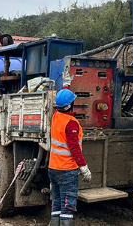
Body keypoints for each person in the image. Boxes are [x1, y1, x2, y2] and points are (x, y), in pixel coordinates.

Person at [49, 89, 92, 226]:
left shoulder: (56, 117)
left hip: (53, 168)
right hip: (66, 170)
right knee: (67, 207)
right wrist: (84, 167)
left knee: (56, 204)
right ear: (70, 105)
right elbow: (74, 147)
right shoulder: (71, 123)